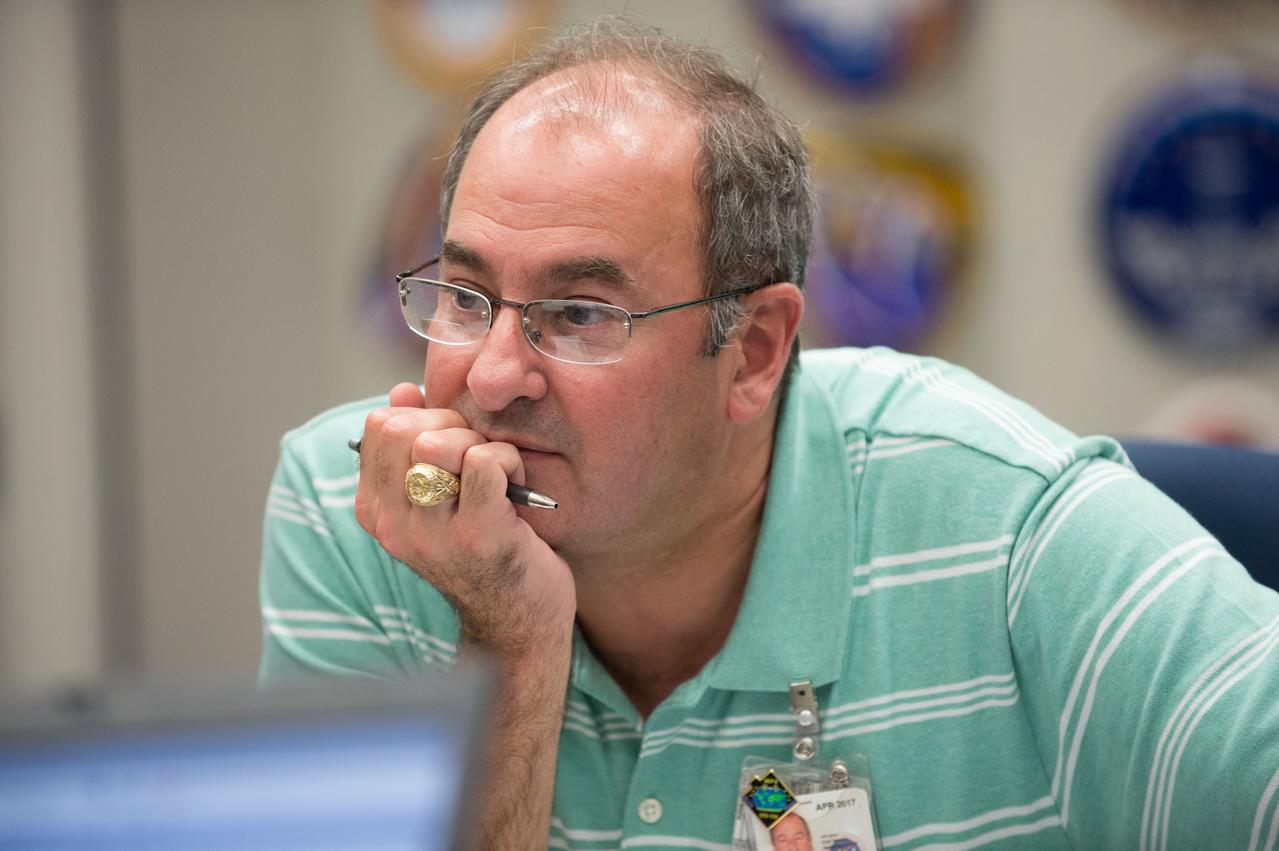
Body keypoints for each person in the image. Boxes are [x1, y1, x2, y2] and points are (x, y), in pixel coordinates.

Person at [259, 17, 1279, 851]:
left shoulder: (1009, 522)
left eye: (578, 314)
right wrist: (512, 645)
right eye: (468, 296)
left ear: (751, 350)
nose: (490, 377)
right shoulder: (368, 511)